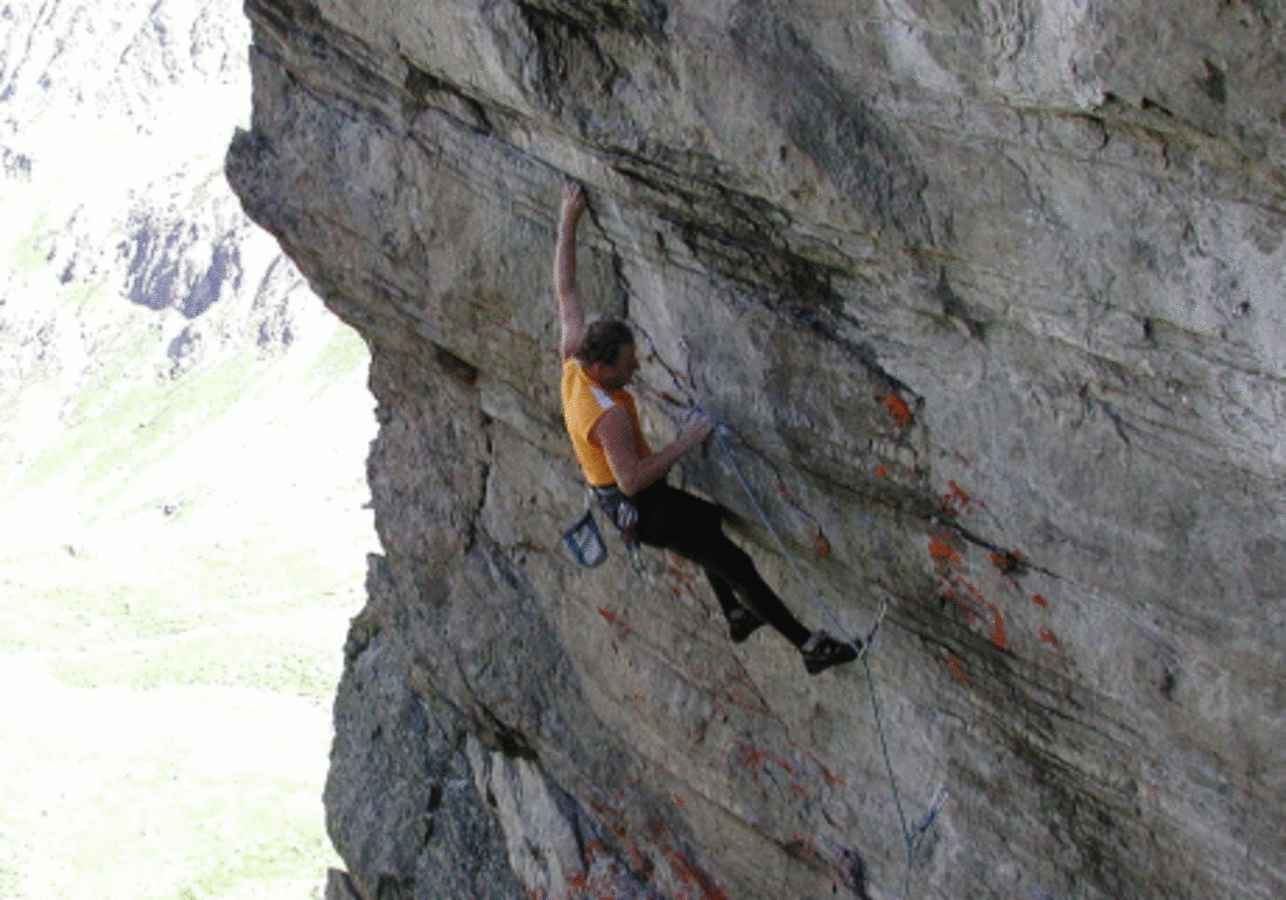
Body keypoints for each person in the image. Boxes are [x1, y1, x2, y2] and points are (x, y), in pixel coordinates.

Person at [553, 179, 859, 675]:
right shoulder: (605, 414)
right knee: (734, 564)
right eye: (628, 364)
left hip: (631, 499)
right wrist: (685, 441)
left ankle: (737, 614)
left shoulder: (573, 355)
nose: (636, 369)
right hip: (638, 506)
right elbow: (631, 479)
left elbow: (565, 287)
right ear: (604, 366)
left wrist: (569, 218)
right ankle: (809, 647)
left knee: (709, 525)